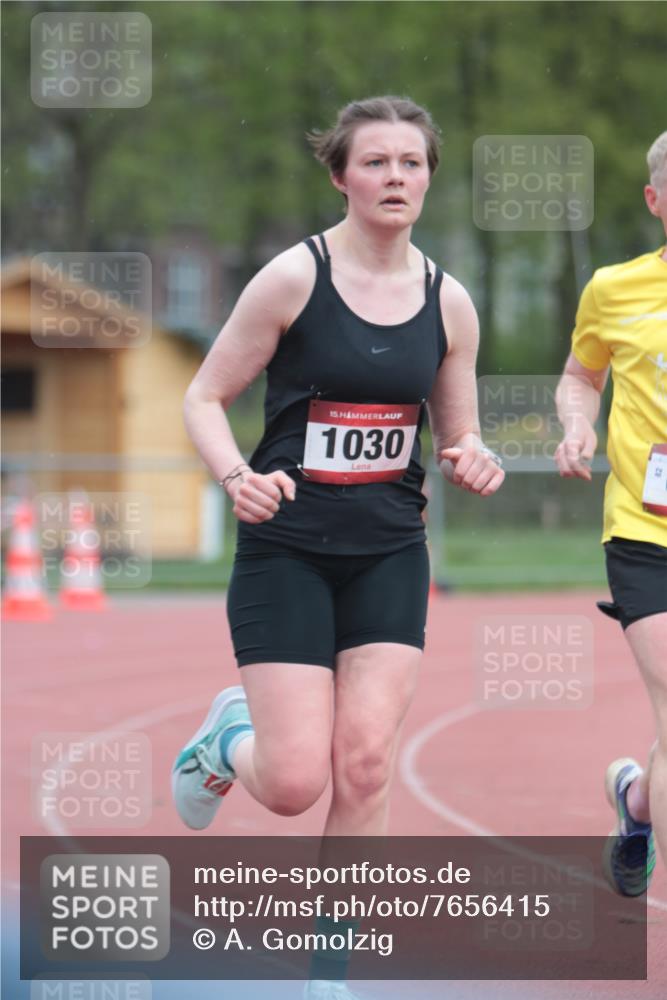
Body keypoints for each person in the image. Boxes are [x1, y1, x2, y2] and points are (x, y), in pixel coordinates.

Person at [172, 95, 504, 999]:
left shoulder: (450, 301)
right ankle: (220, 739)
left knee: (362, 763)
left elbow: (456, 433)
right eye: (376, 163)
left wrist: (472, 460)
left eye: (412, 163)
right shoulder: (291, 277)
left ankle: (330, 967)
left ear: (429, 177)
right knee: (289, 783)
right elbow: (204, 397)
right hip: (287, 548)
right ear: (340, 176)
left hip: (390, 551)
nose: (396, 178)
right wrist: (235, 474)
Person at [555, 130, 667, 898]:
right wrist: (575, 422)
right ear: (656, 201)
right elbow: (577, 374)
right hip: (644, 531)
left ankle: (635, 803)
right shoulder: (614, 289)